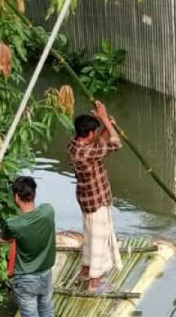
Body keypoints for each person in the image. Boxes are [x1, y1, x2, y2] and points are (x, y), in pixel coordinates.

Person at [68, 101, 123, 292]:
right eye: (94, 133)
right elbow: (116, 144)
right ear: (89, 134)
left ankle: (85, 271)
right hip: (97, 200)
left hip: (86, 199)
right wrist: (106, 121)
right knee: (99, 239)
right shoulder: (86, 152)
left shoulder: (75, 145)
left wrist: (107, 126)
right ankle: (94, 282)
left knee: (90, 236)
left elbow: (98, 146)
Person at [0, 177, 57, 317]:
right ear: (34, 194)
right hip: (45, 273)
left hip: (26, 279)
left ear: (16, 197)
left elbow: (2, 238)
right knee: (47, 310)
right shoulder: (48, 211)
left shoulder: (14, 224)